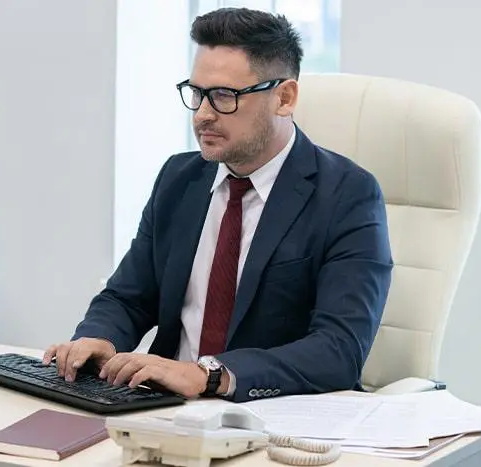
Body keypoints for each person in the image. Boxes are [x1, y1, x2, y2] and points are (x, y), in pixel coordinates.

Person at [43, 7, 393, 403]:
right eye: (197, 94)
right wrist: (100, 338)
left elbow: (339, 350)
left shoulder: (349, 195)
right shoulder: (179, 178)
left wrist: (210, 375)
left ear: (284, 97)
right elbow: (129, 296)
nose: (204, 115)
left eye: (225, 96)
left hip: (271, 420)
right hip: (159, 411)